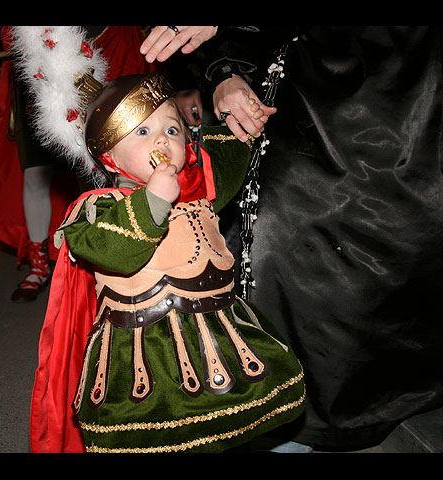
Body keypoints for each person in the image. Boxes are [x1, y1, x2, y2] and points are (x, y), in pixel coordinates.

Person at [141, 25, 443, 451]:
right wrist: (227, 71)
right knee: (270, 246)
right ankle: (273, 419)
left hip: (413, 95)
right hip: (307, 80)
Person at [23, 52, 306, 450]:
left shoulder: (199, 185)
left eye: (172, 130)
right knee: (164, 438)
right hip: (145, 352)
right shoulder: (97, 208)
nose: (162, 139)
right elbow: (116, 251)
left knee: (228, 425)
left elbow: (229, 155)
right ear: (108, 156)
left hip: (220, 335)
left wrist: (242, 122)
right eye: (142, 132)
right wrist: (153, 201)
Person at [0, 26, 155, 303]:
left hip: (93, 60)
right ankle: (39, 264)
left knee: (96, 170)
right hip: (36, 72)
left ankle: (103, 262)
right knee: (35, 171)